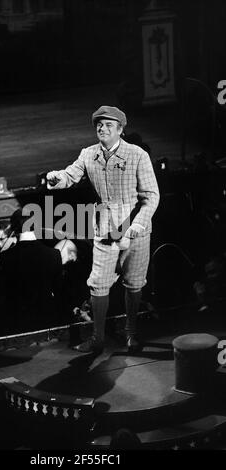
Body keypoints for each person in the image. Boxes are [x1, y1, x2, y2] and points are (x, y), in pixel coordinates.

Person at [47, 105, 160, 354]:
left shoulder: (138, 155)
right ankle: (97, 338)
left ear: (120, 130)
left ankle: (132, 334)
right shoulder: (89, 154)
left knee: (134, 284)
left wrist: (137, 225)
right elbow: (71, 174)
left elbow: (151, 196)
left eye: (109, 124)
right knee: (98, 284)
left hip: (135, 230)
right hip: (105, 230)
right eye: (99, 124)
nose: (102, 128)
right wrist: (57, 178)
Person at [0, 208, 77, 336]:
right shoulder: (53, 254)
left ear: (14, 229)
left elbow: (0, 294)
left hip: (17, 322)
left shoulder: (6, 257)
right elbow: (60, 291)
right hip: (47, 320)